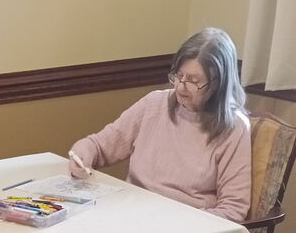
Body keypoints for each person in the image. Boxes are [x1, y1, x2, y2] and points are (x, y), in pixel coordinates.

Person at [69, 27, 251, 222]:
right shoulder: (154, 103)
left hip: (184, 227)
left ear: (217, 84)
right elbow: (99, 146)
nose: (180, 87)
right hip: (130, 214)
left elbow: (233, 209)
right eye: (178, 75)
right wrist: (82, 153)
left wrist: (176, 225)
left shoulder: (234, 128)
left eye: (193, 81)